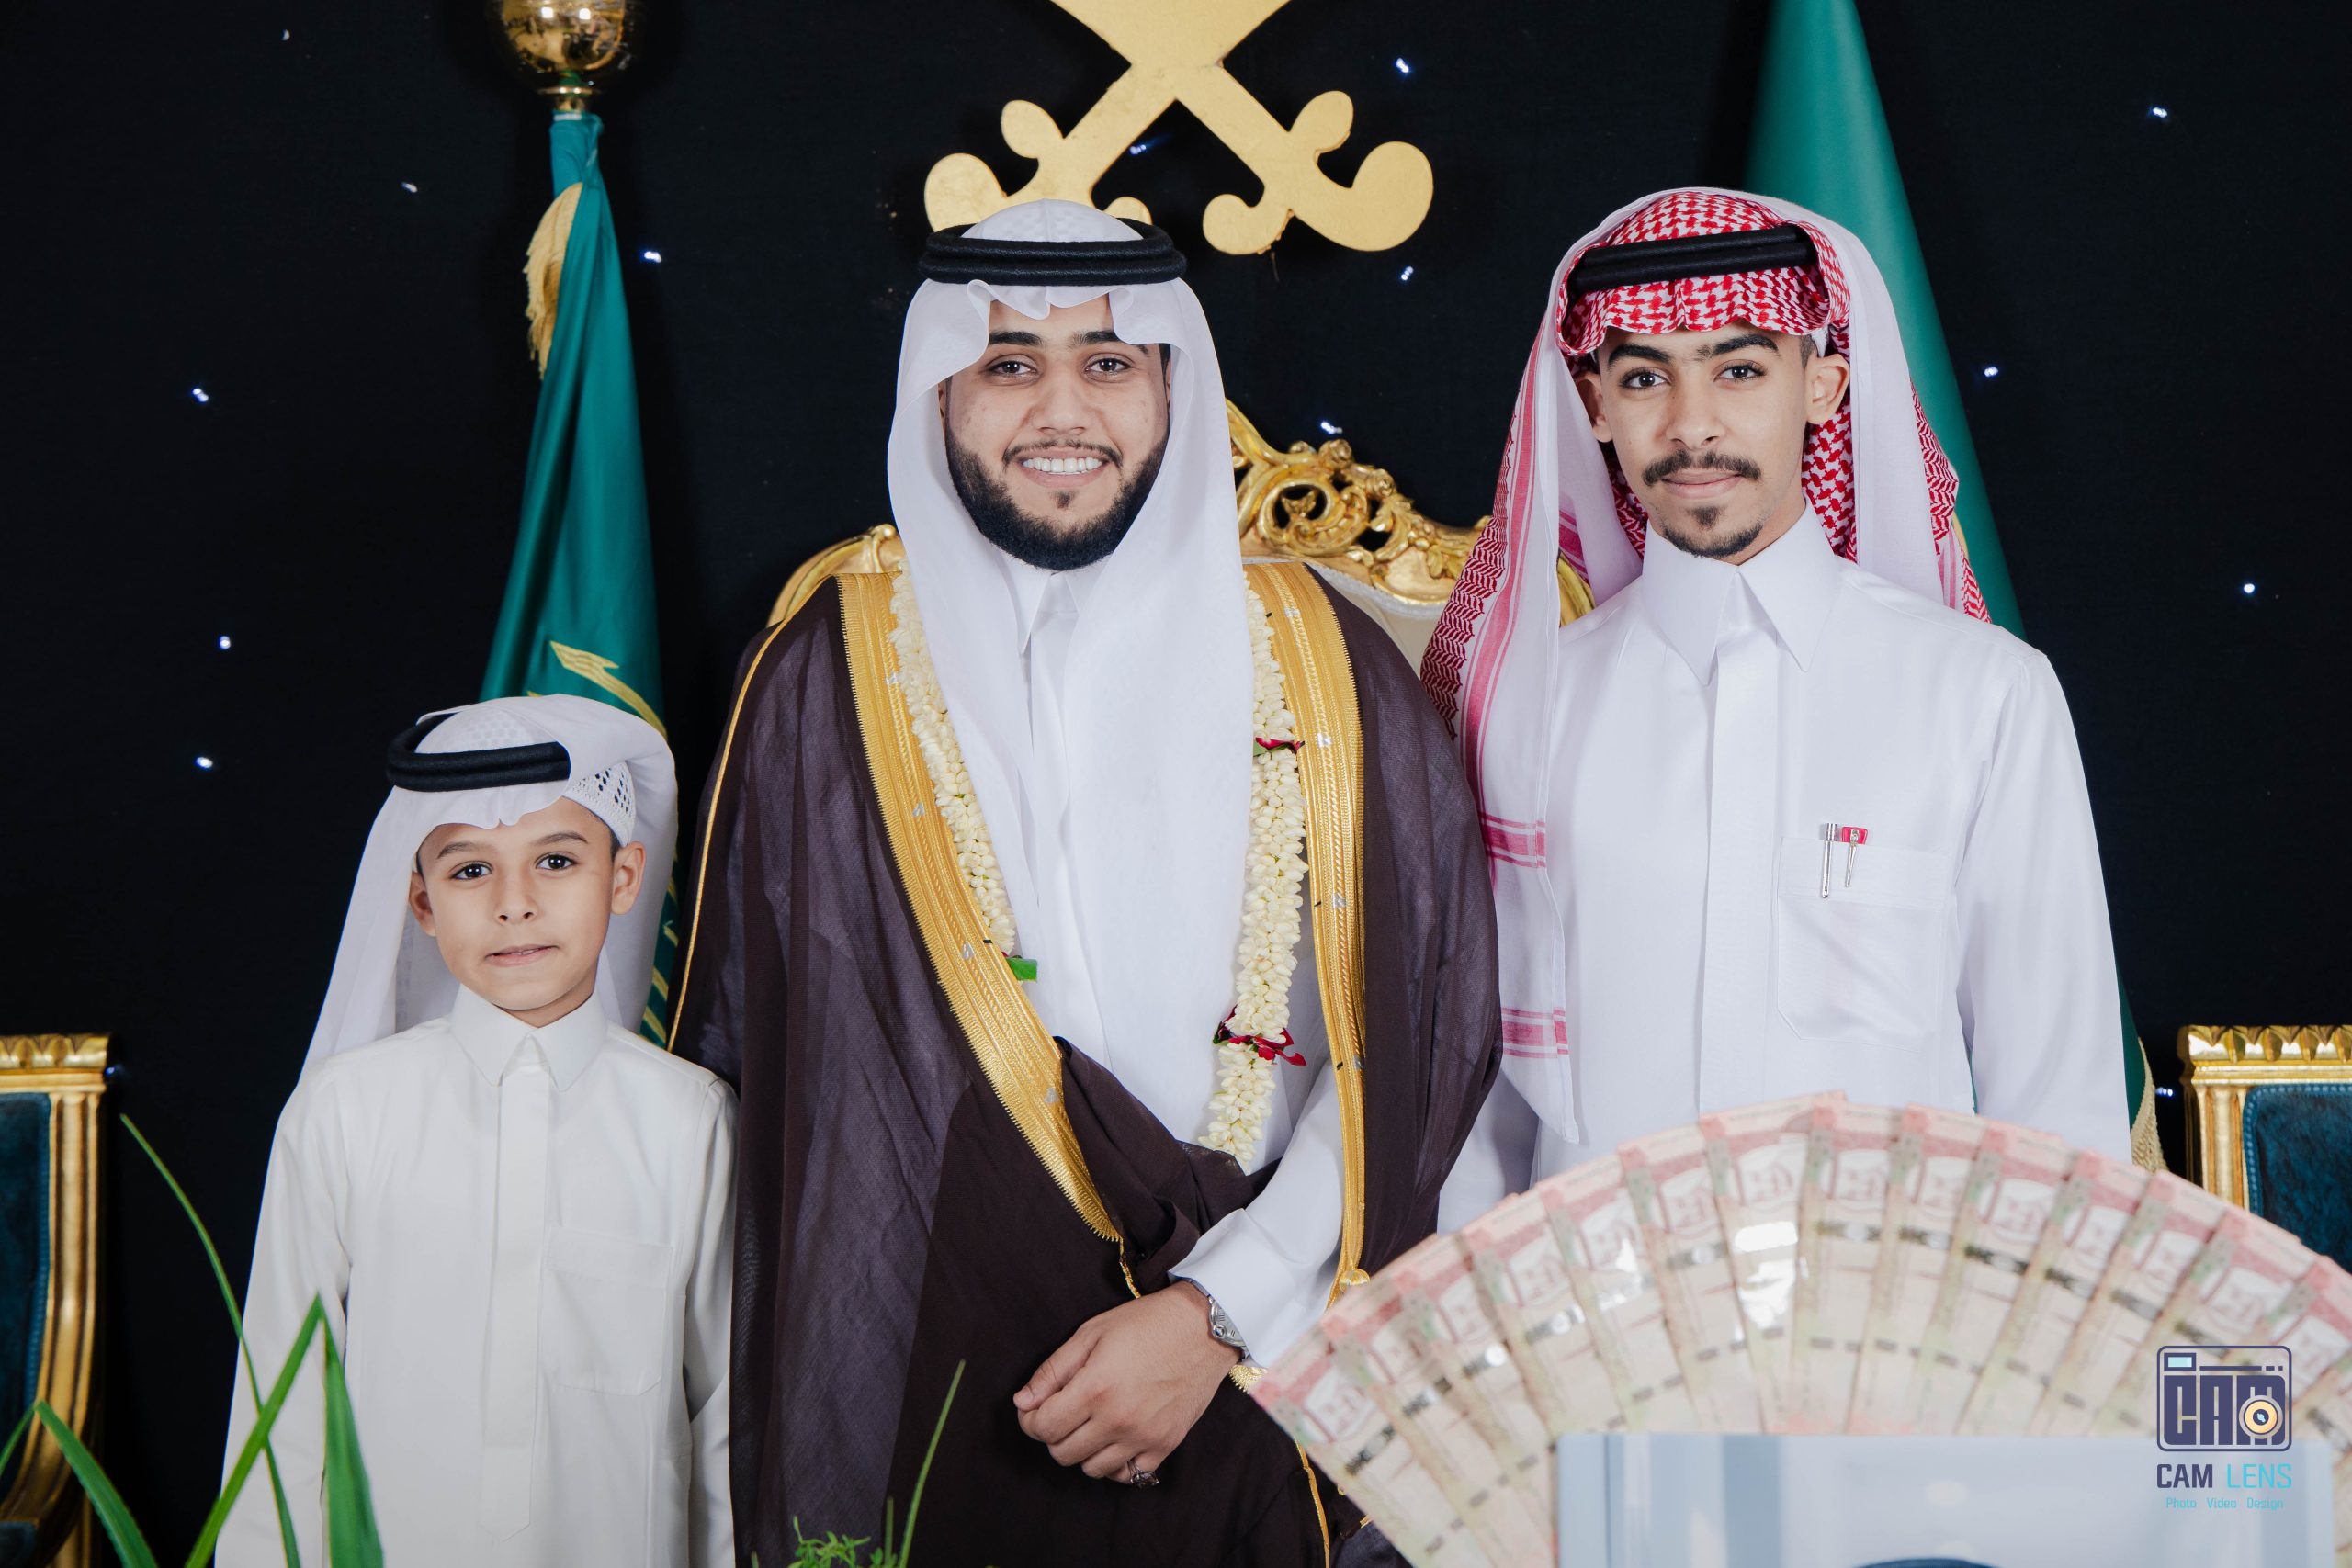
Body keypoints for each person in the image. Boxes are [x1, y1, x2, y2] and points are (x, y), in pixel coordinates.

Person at [670, 199, 1497, 1565]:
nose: (1063, 410)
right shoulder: (827, 676)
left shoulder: (1326, 664)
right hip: (941, 1373)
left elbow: (1428, 1041)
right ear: (940, 393)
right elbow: (782, 1094)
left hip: (1274, 1365)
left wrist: (1218, 1311)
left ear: (1173, 386)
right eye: (1009, 363)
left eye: (1108, 362)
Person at [1424, 187, 2130, 1206]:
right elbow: (1482, 1110)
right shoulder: (1525, 712)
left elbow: (2056, 1106)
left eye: (1740, 370)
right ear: (1595, 407)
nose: (1691, 426)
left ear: (1823, 387)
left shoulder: (1982, 694)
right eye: (1644, 377)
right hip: (1595, 1298)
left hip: (1887, 1297)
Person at [220, 695, 734, 1567]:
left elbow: (722, 1427)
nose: (514, 904)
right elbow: (280, 1412)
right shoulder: (343, 1113)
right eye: (470, 871)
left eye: (557, 860)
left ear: (623, 878)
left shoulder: (691, 1120)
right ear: (421, 901)